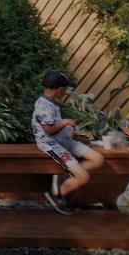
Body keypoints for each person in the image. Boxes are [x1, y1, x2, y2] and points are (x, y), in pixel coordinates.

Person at [32, 71, 105, 214]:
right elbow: (48, 130)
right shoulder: (43, 106)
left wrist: (73, 132)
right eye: (66, 88)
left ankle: (65, 175)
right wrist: (65, 122)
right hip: (52, 144)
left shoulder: (51, 102)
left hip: (64, 140)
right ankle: (57, 194)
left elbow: (55, 125)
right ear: (60, 89)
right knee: (83, 178)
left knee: (98, 159)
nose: (66, 92)